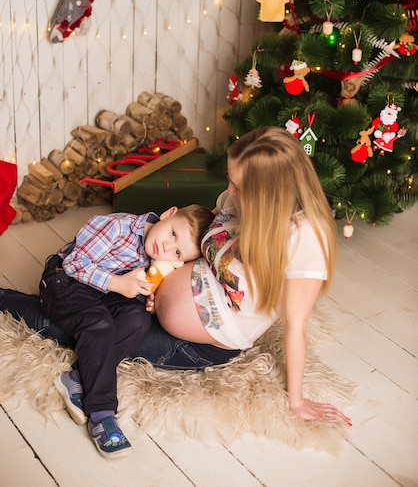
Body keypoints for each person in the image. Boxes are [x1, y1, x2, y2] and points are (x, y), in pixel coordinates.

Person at [0, 127, 352, 442]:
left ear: (268, 194)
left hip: (199, 343)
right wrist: (160, 283)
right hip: (151, 292)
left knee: (91, 333)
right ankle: (61, 283)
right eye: (230, 179)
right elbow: (199, 246)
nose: (229, 191)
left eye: (239, 186)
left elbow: (295, 327)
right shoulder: (234, 200)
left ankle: (9, 302)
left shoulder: (305, 238)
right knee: (90, 309)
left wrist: (297, 400)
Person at [4, 203, 214, 459]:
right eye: (172, 234)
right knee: (98, 324)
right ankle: (102, 413)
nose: (167, 247)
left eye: (177, 251)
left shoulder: (157, 257)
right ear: (168, 214)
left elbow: (133, 287)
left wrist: (146, 297)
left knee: (137, 319)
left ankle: (77, 378)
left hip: (102, 292)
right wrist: (120, 283)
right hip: (64, 280)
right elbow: (75, 264)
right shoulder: (117, 227)